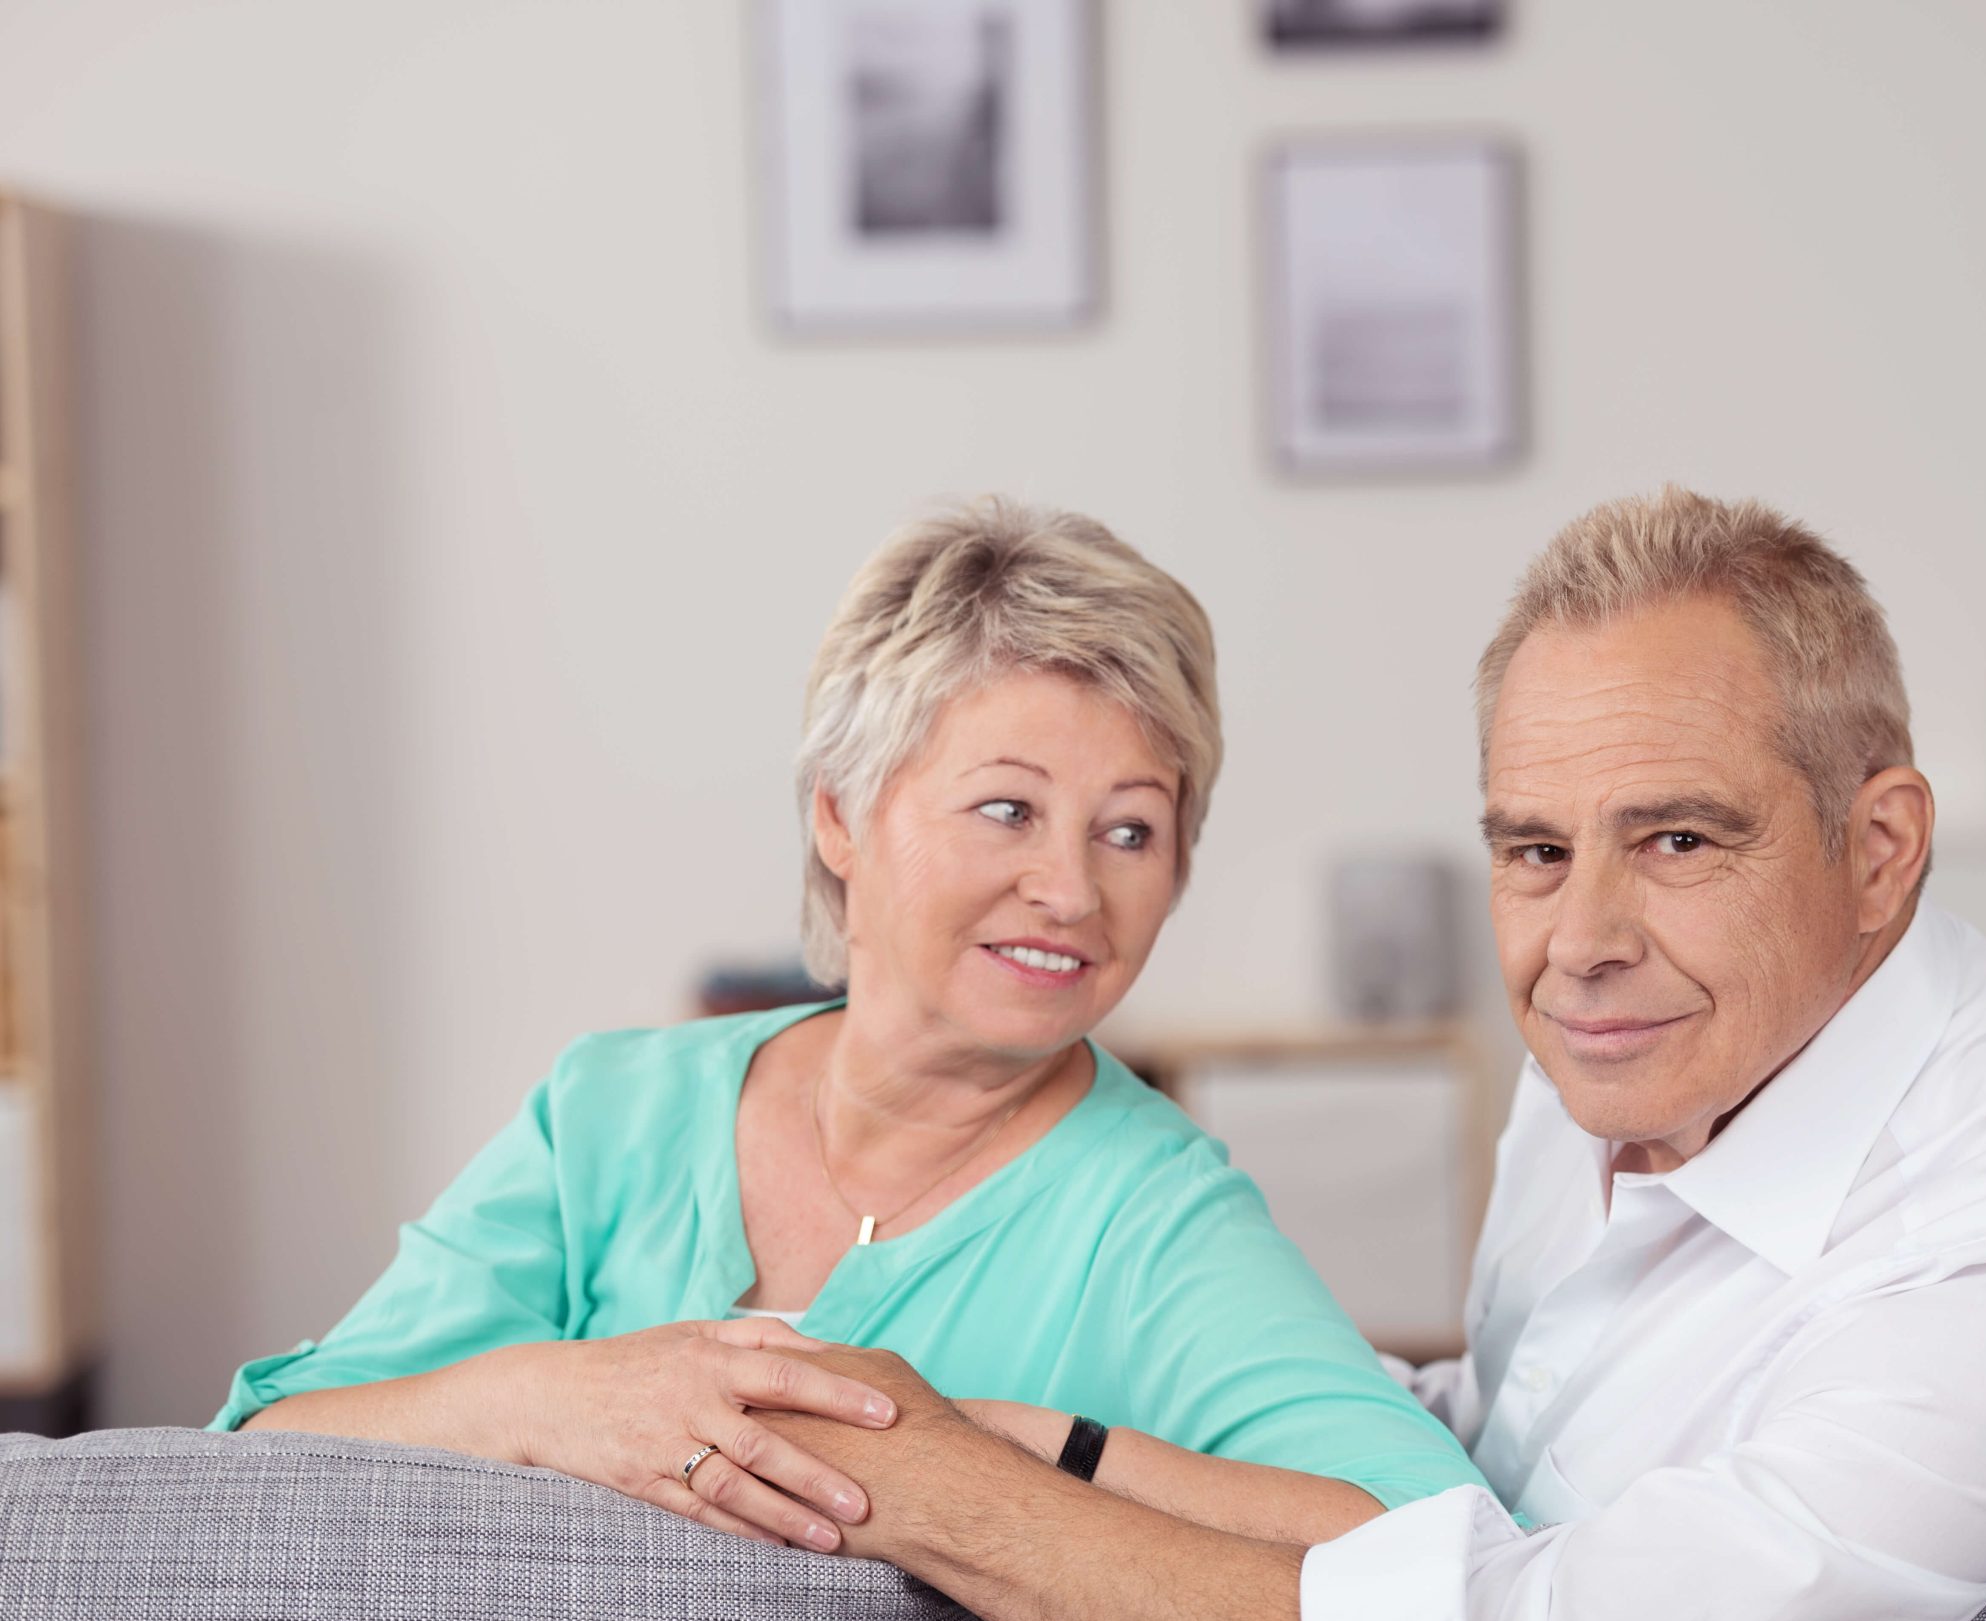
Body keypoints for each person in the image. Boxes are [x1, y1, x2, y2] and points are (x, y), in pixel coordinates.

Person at [746, 487, 1986, 1621]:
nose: (1579, 944)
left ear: (1878, 850)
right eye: (1534, 850)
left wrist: (939, 1486)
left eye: (1680, 841)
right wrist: (1078, 1432)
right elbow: (1513, 1442)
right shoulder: (1647, 1062)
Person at [208, 497, 1488, 1559]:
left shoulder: (1153, 1214)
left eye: (1131, 828)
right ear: (840, 814)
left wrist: (1040, 1453)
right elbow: (265, 1447)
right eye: (1006, 808)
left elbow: (1444, 1543)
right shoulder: (611, 1109)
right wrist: (563, 1397)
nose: (1072, 888)